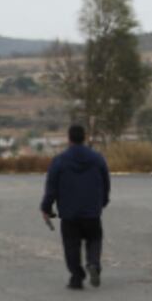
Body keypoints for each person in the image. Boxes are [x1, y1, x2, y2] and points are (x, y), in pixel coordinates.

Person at [40, 124, 110, 290]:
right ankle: (93, 263)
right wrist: (103, 201)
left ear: (69, 139)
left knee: (71, 245)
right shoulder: (97, 158)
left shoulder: (59, 161)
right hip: (92, 211)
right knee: (94, 239)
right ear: (84, 137)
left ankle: (76, 278)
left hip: (69, 213)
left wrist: (46, 208)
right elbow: (106, 182)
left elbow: (51, 188)